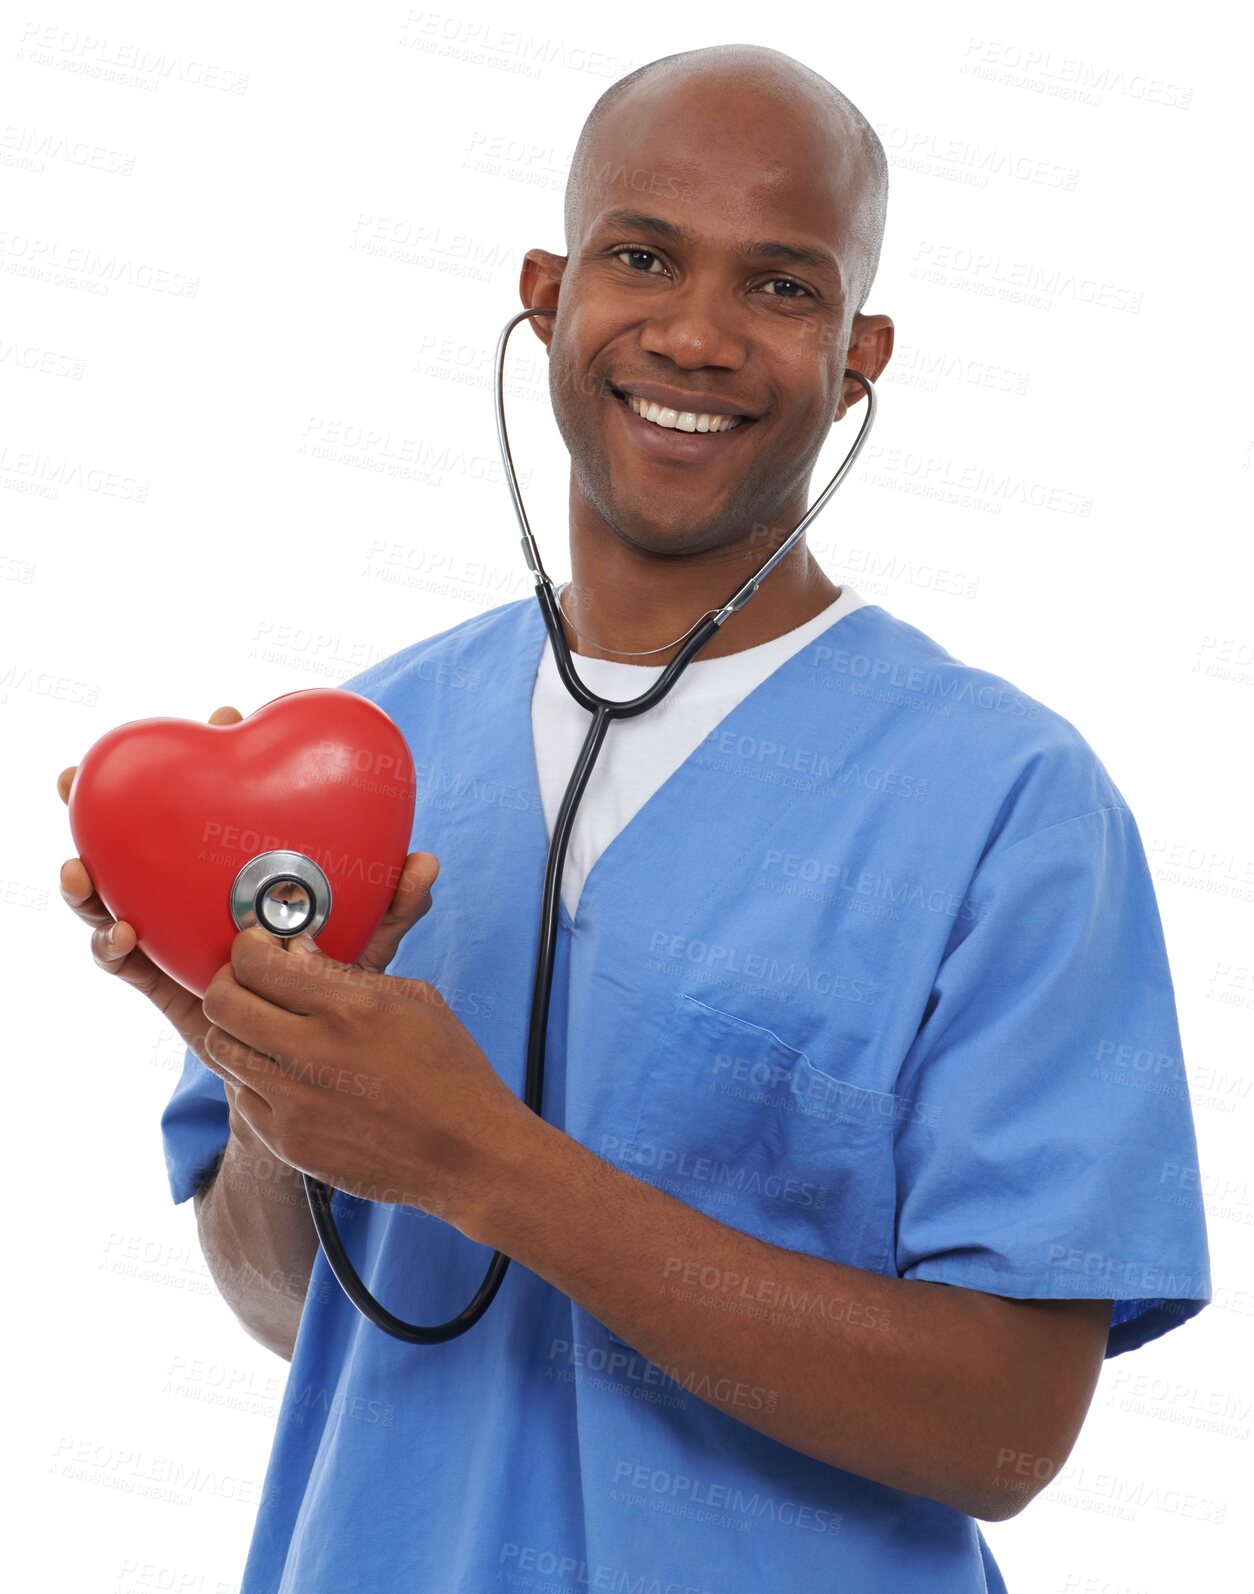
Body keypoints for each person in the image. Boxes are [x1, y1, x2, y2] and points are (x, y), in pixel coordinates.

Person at [58, 44, 1212, 1594]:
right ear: (546, 292)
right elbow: (295, 1308)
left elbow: (1004, 1429)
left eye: (782, 288)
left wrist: (484, 1160)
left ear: (861, 354)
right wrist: (276, 1093)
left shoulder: (1005, 802)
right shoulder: (367, 750)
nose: (696, 332)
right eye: (643, 256)